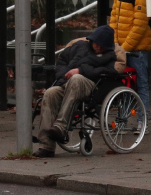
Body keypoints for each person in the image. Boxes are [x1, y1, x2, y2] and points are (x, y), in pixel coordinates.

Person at [33, 25, 117, 156]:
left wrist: (80, 70)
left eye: (102, 46)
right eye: (97, 44)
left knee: (77, 78)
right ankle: (46, 145)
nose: (98, 47)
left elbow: (106, 71)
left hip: (91, 85)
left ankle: (61, 126)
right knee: (50, 93)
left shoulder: (110, 56)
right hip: (67, 82)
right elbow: (61, 63)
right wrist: (66, 74)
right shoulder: (78, 46)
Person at [108, 0, 151, 109]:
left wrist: (124, 48)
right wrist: (115, 44)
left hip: (136, 50)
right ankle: (123, 120)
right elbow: (113, 19)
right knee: (122, 85)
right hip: (121, 49)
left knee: (141, 85)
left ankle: (141, 121)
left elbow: (139, 25)